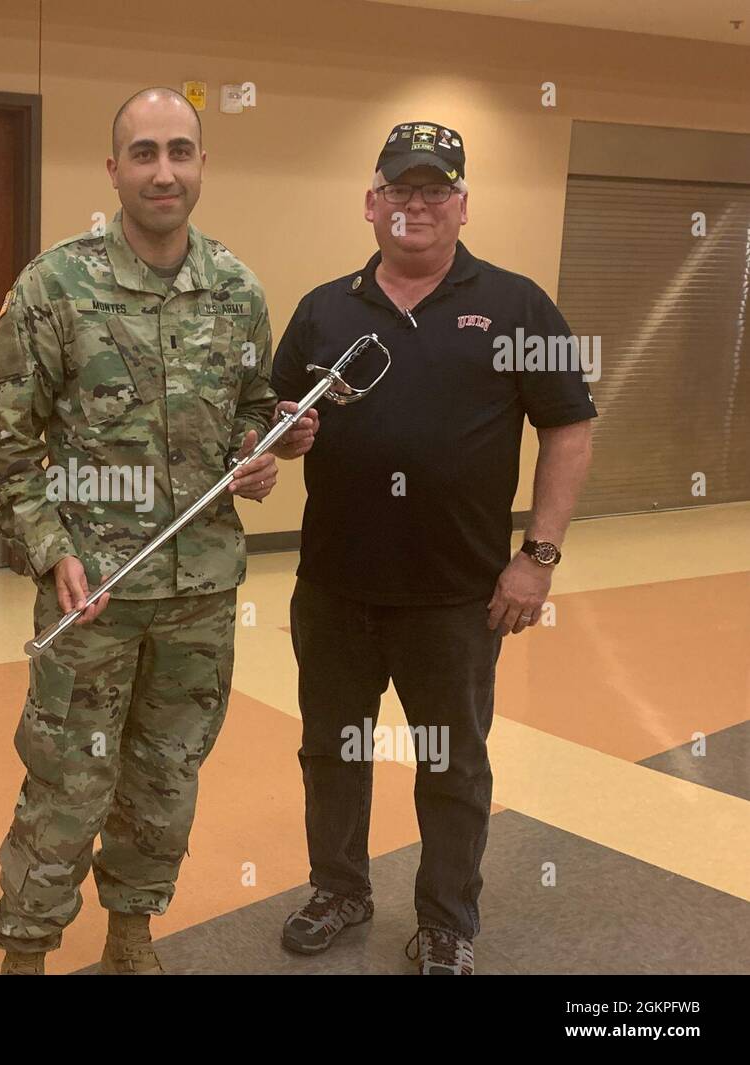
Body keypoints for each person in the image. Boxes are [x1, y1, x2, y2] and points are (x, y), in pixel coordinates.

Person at [0, 87, 316, 975]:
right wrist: (50, 551)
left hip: (199, 591)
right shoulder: (53, 287)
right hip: (93, 591)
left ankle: (132, 928)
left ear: (202, 164)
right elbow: (9, 451)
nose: (163, 171)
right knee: (67, 779)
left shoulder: (238, 291)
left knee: (167, 777)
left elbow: (249, 419)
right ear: (114, 169)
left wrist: (266, 449)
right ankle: (27, 945)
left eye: (179, 151)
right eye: (143, 153)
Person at [270, 122, 595, 974]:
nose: (416, 205)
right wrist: (282, 440)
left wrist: (539, 556)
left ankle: (447, 919)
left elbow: (570, 427)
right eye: (399, 190)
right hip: (336, 588)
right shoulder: (323, 309)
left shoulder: (519, 305)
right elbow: (272, 425)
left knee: (451, 764)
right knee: (332, 751)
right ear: (371, 204)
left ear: (461, 204)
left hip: (457, 597)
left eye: (434, 190)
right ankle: (339, 888)